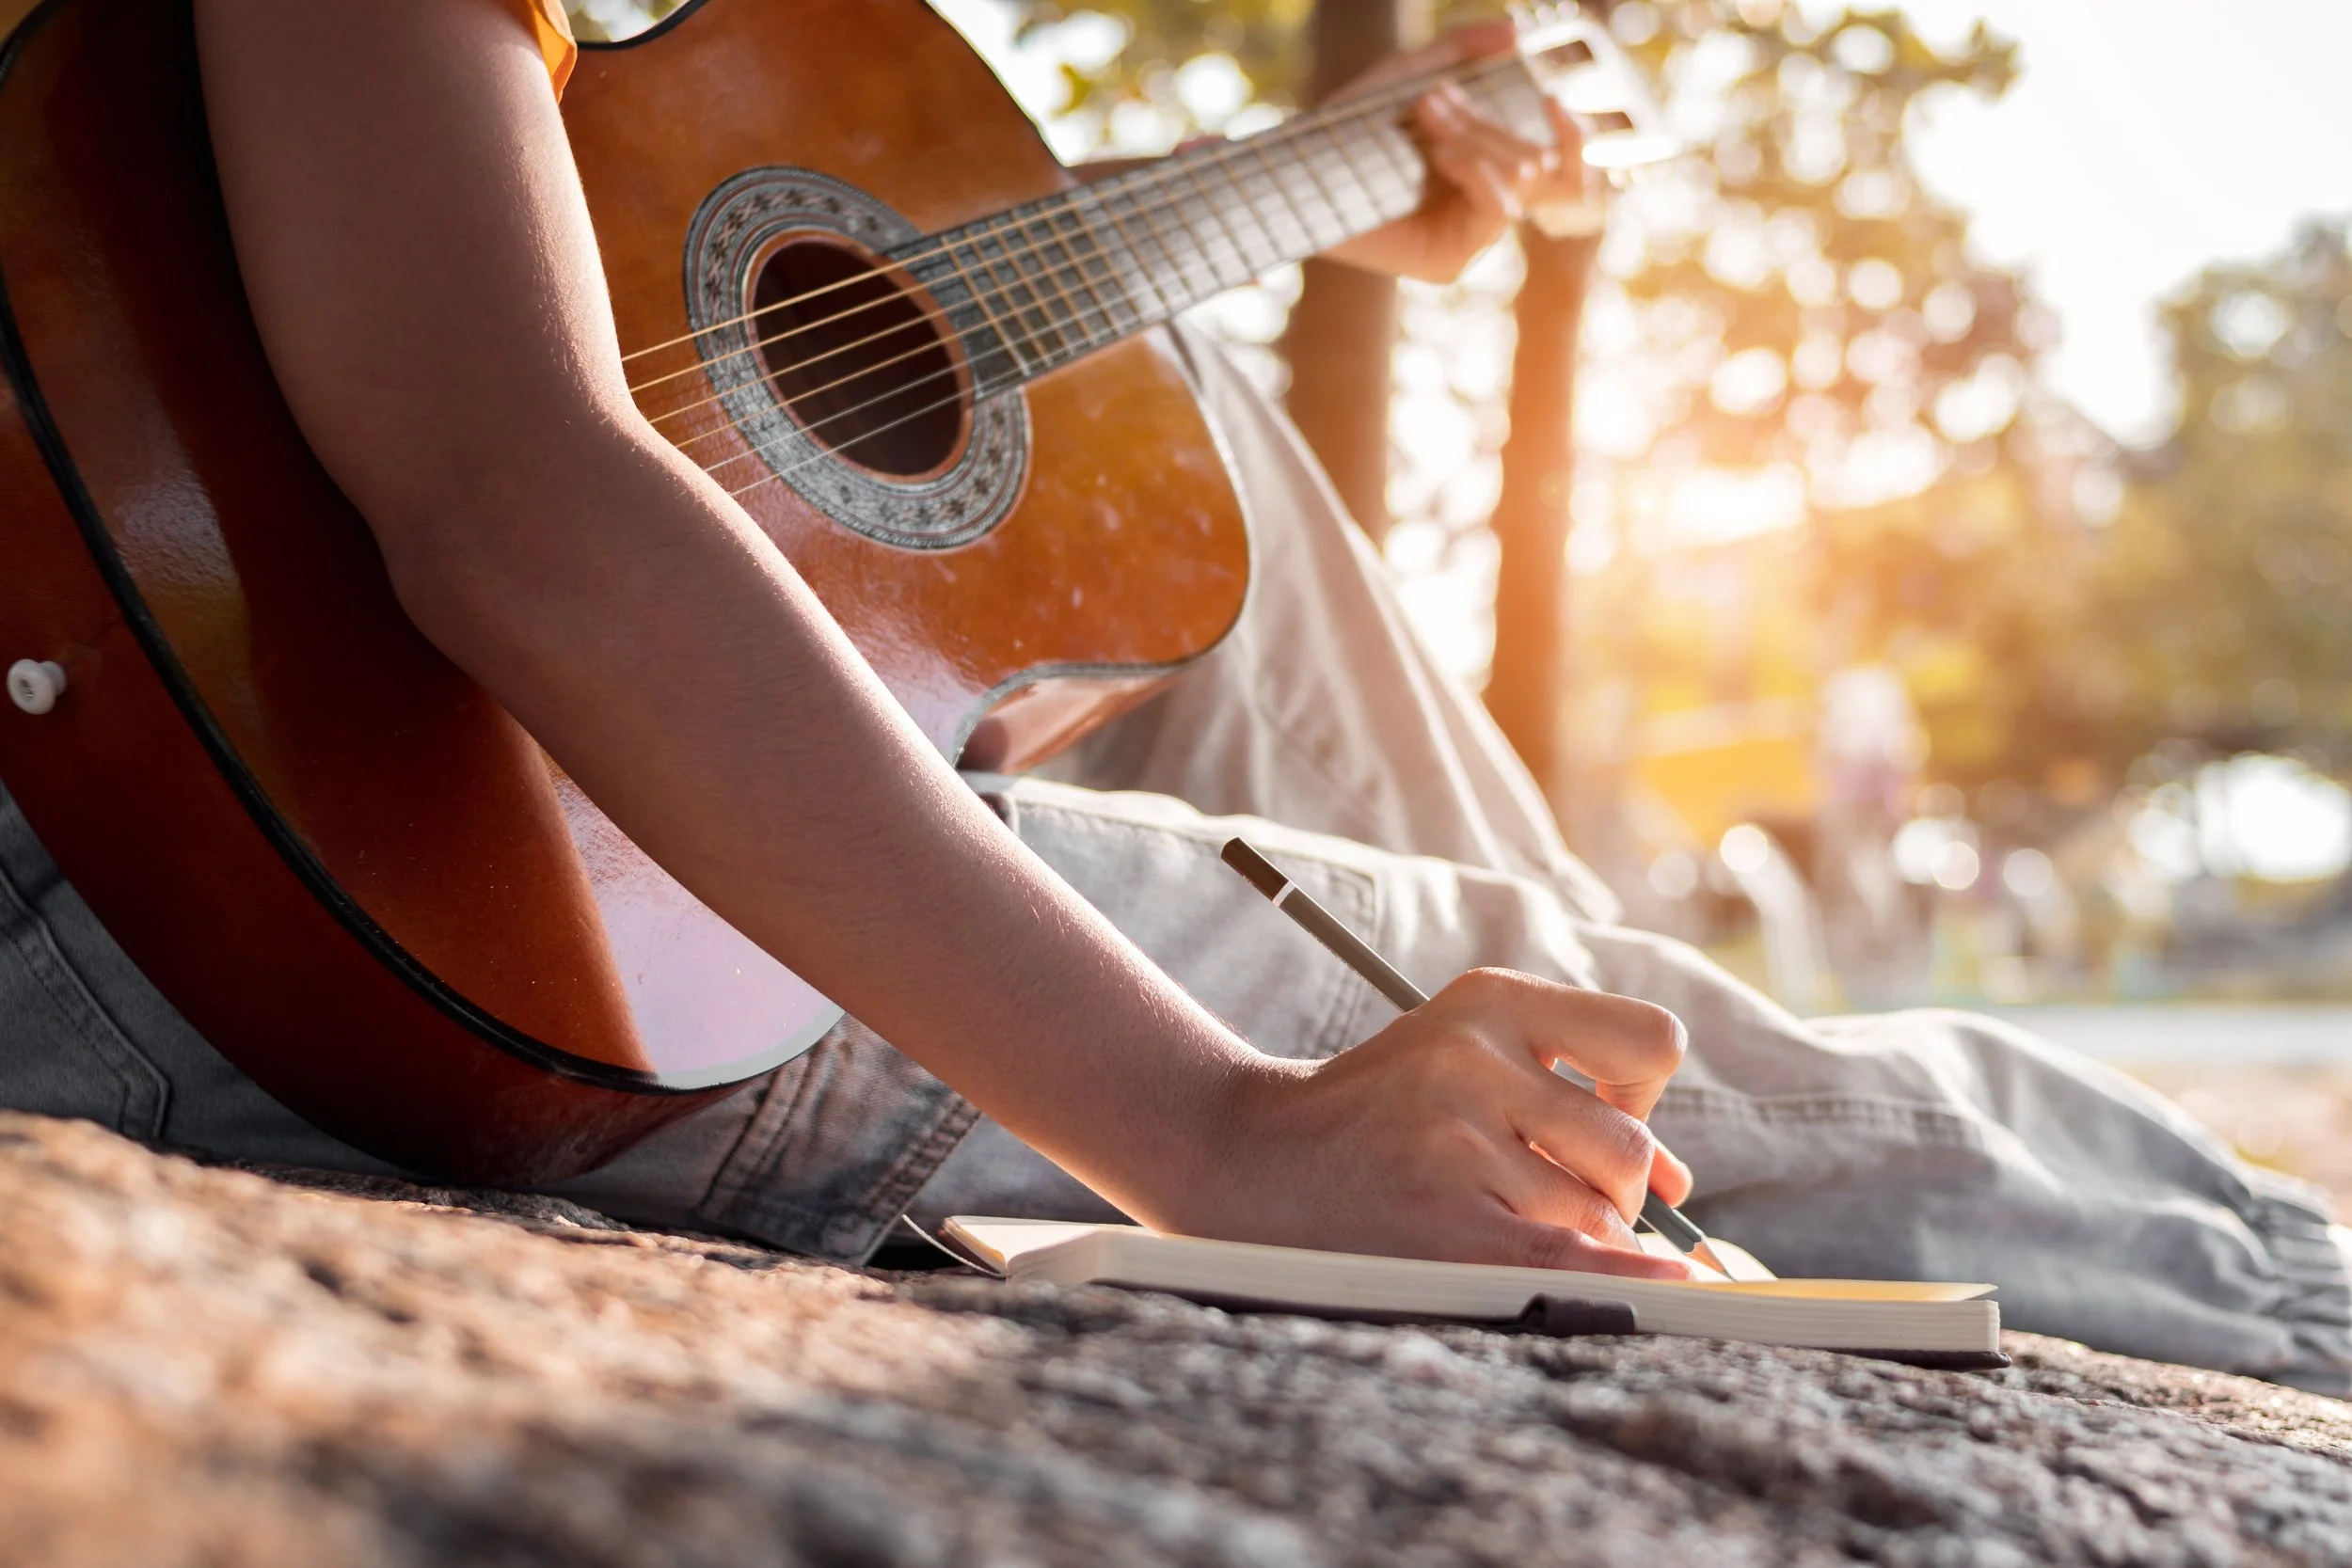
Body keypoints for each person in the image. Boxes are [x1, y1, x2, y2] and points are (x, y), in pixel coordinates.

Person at [3, 0, 2346, 1392]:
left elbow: (647, 295)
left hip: (211, 861)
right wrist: (1221, 1125)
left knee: (1161, 408)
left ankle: (1517, 1037)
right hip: (243, 887)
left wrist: (1322, 180)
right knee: (1640, 1056)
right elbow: (513, 490)